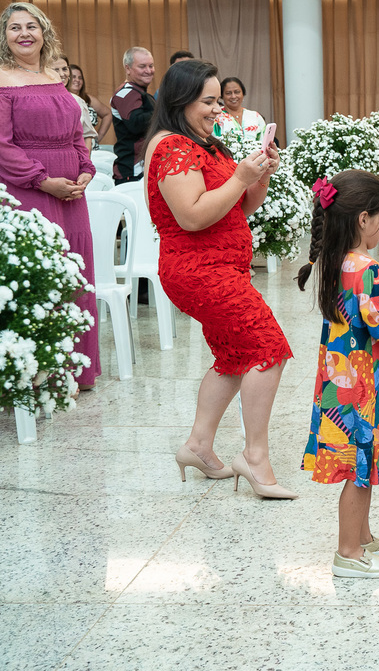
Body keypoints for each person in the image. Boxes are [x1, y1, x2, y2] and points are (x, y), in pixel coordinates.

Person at [142, 60, 293, 496]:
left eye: (217, 102)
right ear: (181, 101)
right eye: (208, 101)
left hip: (223, 267)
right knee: (268, 349)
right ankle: (255, 456)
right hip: (198, 270)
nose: (217, 110)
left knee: (233, 357)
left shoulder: (203, 144)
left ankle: (198, 446)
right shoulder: (172, 147)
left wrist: (258, 177)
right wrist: (240, 176)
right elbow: (191, 217)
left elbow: (237, 207)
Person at [296, 169, 379, 579]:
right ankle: (348, 553)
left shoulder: (339, 262)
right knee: (359, 467)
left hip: (343, 379)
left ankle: (362, 536)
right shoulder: (367, 268)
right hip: (363, 388)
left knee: (361, 464)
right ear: (362, 219)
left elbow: (364, 314)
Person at [0, 2, 99, 390]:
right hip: (27, 192)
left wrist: (85, 169)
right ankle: (39, 374)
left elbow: (75, 133)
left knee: (75, 277)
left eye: (31, 26)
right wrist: (44, 181)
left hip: (72, 195)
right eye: (15, 27)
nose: (24, 33)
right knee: (40, 278)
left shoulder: (52, 76)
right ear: (4, 35)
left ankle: (75, 370)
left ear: (44, 32)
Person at [111, 46, 155, 183]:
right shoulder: (126, 93)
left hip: (143, 168)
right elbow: (136, 124)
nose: (148, 70)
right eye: (142, 66)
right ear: (128, 68)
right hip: (132, 172)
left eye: (151, 66)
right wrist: (165, 109)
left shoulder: (139, 92)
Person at [48, 56, 97, 151]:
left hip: (76, 156)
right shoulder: (38, 101)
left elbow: (87, 135)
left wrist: (85, 158)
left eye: (64, 69)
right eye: (56, 70)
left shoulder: (78, 101)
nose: (62, 74)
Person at [66, 63, 113, 143]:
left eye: (80, 78)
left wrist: (98, 138)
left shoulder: (88, 99)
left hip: (91, 147)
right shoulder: (62, 99)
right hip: (71, 146)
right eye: (74, 77)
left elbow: (108, 114)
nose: (77, 80)